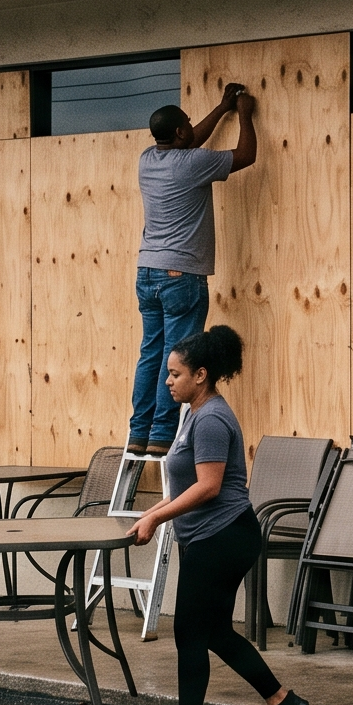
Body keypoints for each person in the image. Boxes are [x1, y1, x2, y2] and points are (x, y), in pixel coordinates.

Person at [128, 325, 308, 705]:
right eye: (167, 374)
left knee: (191, 633)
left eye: (175, 374)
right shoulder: (195, 413)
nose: (168, 381)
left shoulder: (210, 418)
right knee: (213, 632)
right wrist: (153, 513)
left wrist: (156, 516)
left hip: (223, 537)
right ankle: (282, 703)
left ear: (201, 375)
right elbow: (189, 484)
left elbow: (208, 487)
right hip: (217, 537)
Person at [129, 85, 255, 455]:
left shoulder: (147, 158)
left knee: (151, 354)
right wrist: (243, 113)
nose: (191, 127)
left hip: (148, 271)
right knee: (177, 357)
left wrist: (220, 109)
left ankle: (140, 431)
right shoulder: (193, 164)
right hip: (180, 276)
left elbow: (190, 137)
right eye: (187, 123)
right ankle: (162, 436)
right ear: (181, 133)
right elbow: (246, 155)